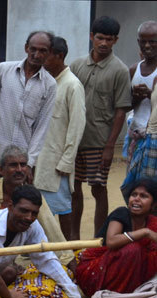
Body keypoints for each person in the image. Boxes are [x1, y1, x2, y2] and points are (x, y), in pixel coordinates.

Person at [0, 185, 99, 298]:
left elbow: (48, 261)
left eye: (34, 213)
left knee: (23, 280)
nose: (29, 217)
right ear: (10, 206)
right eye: (24, 211)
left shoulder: (32, 226)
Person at [70, 16, 132, 238]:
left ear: (115, 40)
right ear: (91, 37)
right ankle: (73, 239)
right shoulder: (76, 65)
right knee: (73, 190)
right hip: (74, 141)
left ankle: (99, 239)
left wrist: (109, 147)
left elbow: (121, 110)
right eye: (100, 38)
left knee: (98, 189)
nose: (104, 43)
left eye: (109, 39)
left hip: (99, 141)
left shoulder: (119, 70)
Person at [0, 146, 74, 268]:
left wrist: (67, 259)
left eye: (23, 165)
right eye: (13, 165)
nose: (19, 170)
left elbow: (51, 228)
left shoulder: (32, 195)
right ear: (1, 170)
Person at [0, 31, 56, 182]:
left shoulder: (50, 85)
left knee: (15, 202)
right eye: (33, 49)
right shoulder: (3, 70)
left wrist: (29, 164)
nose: (37, 55)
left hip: (20, 163)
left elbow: (42, 127)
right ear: (26, 48)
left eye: (43, 51)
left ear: (49, 53)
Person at [32, 37, 86, 240]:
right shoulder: (44, 82)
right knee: (38, 208)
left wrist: (67, 160)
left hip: (57, 162)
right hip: (38, 159)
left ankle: (67, 250)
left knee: (63, 209)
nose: (40, 58)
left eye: (46, 54)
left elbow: (77, 126)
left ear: (59, 56)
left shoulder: (72, 85)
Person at [76, 178, 157, 297]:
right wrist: (144, 232)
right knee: (133, 250)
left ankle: (130, 291)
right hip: (94, 273)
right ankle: (118, 296)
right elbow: (111, 241)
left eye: (143, 196)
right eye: (134, 194)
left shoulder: (152, 222)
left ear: (153, 205)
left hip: (124, 274)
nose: (136, 199)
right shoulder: (121, 213)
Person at [123, 22, 157, 160]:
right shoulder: (133, 70)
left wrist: (152, 95)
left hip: (154, 136)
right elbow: (126, 106)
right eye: (143, 41)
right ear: (138, 42)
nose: (147, 46)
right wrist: (135, 98)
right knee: (134, 179)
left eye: (152, 41)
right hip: (136, 134)